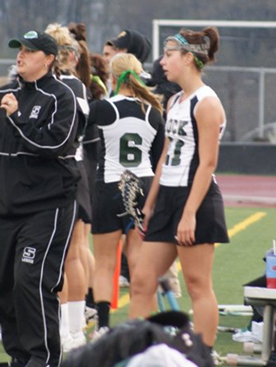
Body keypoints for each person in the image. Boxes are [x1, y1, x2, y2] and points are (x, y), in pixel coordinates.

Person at [0, 30, 79, 367]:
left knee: (32, 279)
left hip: (47, 206)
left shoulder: (62, 97)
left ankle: (43, 360)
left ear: (49, 58)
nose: (21, 56)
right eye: (19, 50)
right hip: (6, 209)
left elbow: (53, 145)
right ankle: (19, 356)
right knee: (5, 283)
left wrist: (17, 117)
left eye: (30, 50)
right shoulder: (0, 97)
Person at [128, 27, 229, 348]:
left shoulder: (207, 103)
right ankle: (137, 353)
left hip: (195, 199)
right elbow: (165, 158)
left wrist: (188, 215)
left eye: (169, 55)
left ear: (189, 58)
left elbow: (207, 163)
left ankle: (202, 356)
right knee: (142, 280)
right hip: (168, 198)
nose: (162, 61)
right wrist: (150, 202)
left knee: (198, 284)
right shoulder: (174, 100)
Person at [88, 53, 165, 338]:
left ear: (112, 76)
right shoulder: (154, 111)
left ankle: (104, 327)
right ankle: (140, 326)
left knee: (105, 262)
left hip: (110, 185)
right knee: (138, 261)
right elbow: (158, 160)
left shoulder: (102, 108)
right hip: (143, 187)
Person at [44, 22, 91, 352]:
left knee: (66, 255)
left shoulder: (59, 87)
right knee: (77, 251)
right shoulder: (78, 85)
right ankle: (74, 327)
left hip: (60, 171)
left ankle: (68, 328)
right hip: (77, 169)